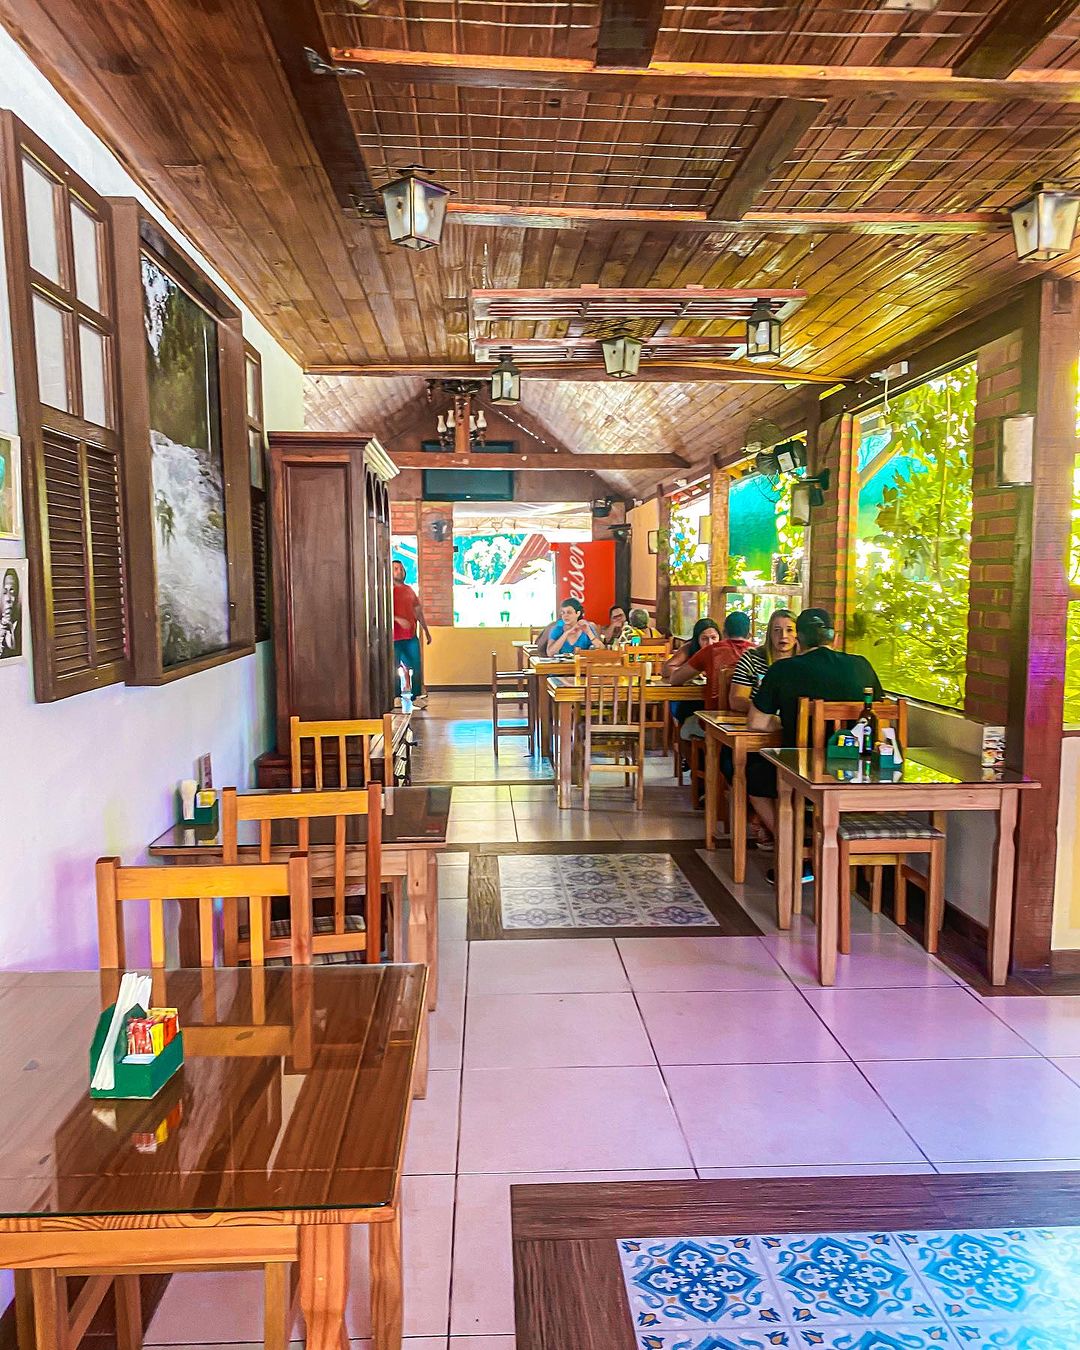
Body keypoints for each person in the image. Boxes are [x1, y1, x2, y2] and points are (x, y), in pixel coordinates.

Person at [746, 607, 883, 839]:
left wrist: (787, 722)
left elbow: (756, 722)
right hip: (859, 769)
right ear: (834, 638)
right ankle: (834, 841)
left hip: (802, 770)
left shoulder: (783, 669)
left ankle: (794, 843)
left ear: (798, 640)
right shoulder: (862, 665)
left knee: (755, 778)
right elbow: (878, 714)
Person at [668, 612, 755, 737]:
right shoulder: (758, 653)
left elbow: (675, 679)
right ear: (749, 634)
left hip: (714, 723)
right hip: (751, 722)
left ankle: (687, 748)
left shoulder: (711, 651)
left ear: (724, 633)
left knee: (685, 722)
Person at [727, 609, 798, 712]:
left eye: (789, 630)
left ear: (798, 634)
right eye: (777, 630)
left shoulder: (804, 662)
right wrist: (770, 711)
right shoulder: (752, 658)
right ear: (769, 634)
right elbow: (736, 701)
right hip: (757, 719)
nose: (783, 635)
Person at [392, 560, 431, 708]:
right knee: (394, 667)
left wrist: (426, 631)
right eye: (396, 569)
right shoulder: (386, 590)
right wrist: (397, 619)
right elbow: (383, 611)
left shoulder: (409, 590)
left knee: (416, 665)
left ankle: (417, 696)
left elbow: (418, 611)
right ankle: (396, 696)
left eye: (401, 569)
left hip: (410, 636)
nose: (399, 571)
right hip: (394, 638)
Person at [0, 566, 20, 660]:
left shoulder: (21, 626)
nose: (8, 599)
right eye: (5, 592)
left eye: (12, 592)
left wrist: (10, 631)